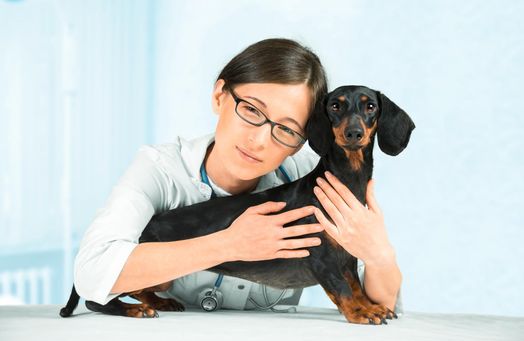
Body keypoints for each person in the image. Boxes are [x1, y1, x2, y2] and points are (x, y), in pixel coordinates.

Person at [74, 38, 403, 314]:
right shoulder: (159, 169)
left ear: (308, 137)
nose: (258, 140)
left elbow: (382, 305)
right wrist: (227, 244)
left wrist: (379, 253)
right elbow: (89, 275)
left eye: (286, 129)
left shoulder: (318, 180)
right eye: (251, 110)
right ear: (220, 96)